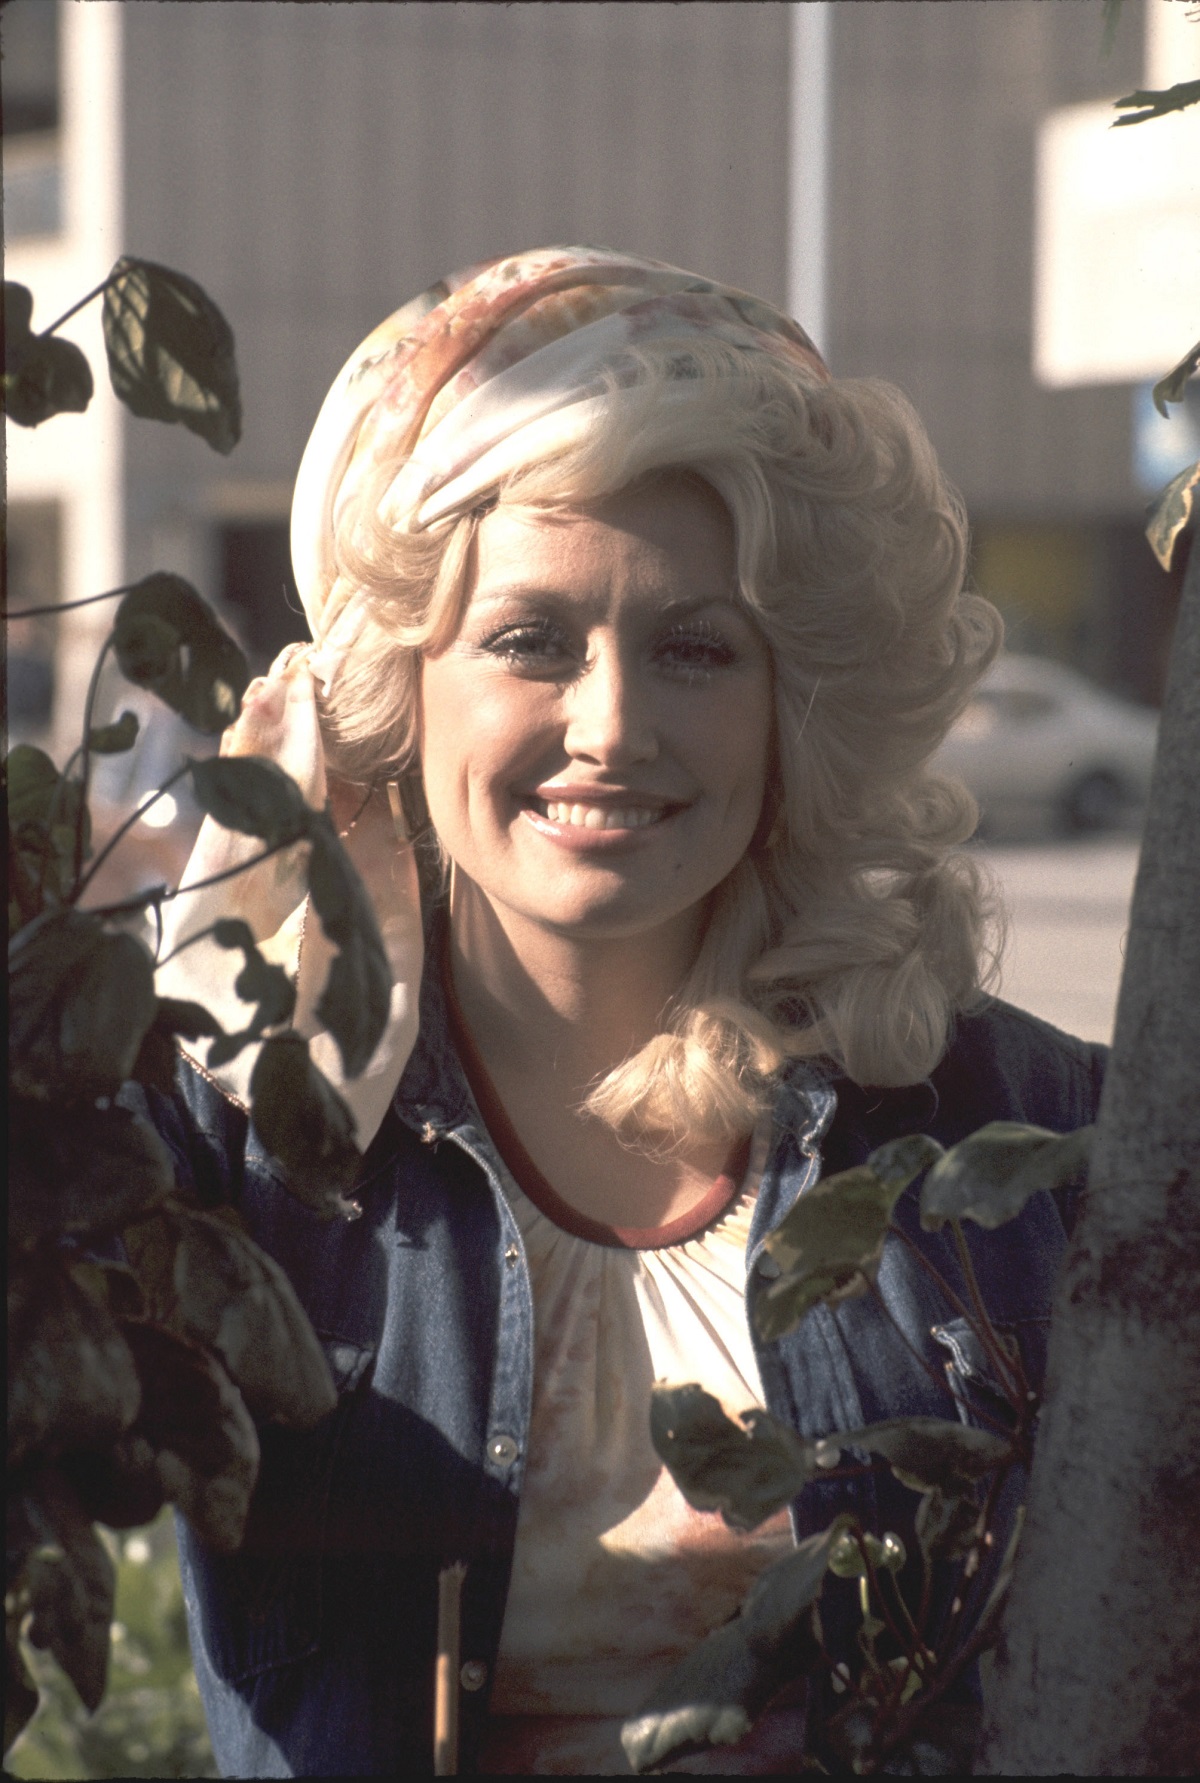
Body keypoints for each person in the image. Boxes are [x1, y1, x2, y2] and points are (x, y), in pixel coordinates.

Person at [146, 247, 1105, 1776]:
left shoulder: (1039, 1141)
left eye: (697, 648)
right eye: (529, 640)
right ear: (405, 680)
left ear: (795, 702)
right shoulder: (220, 1148)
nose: (611, 726)